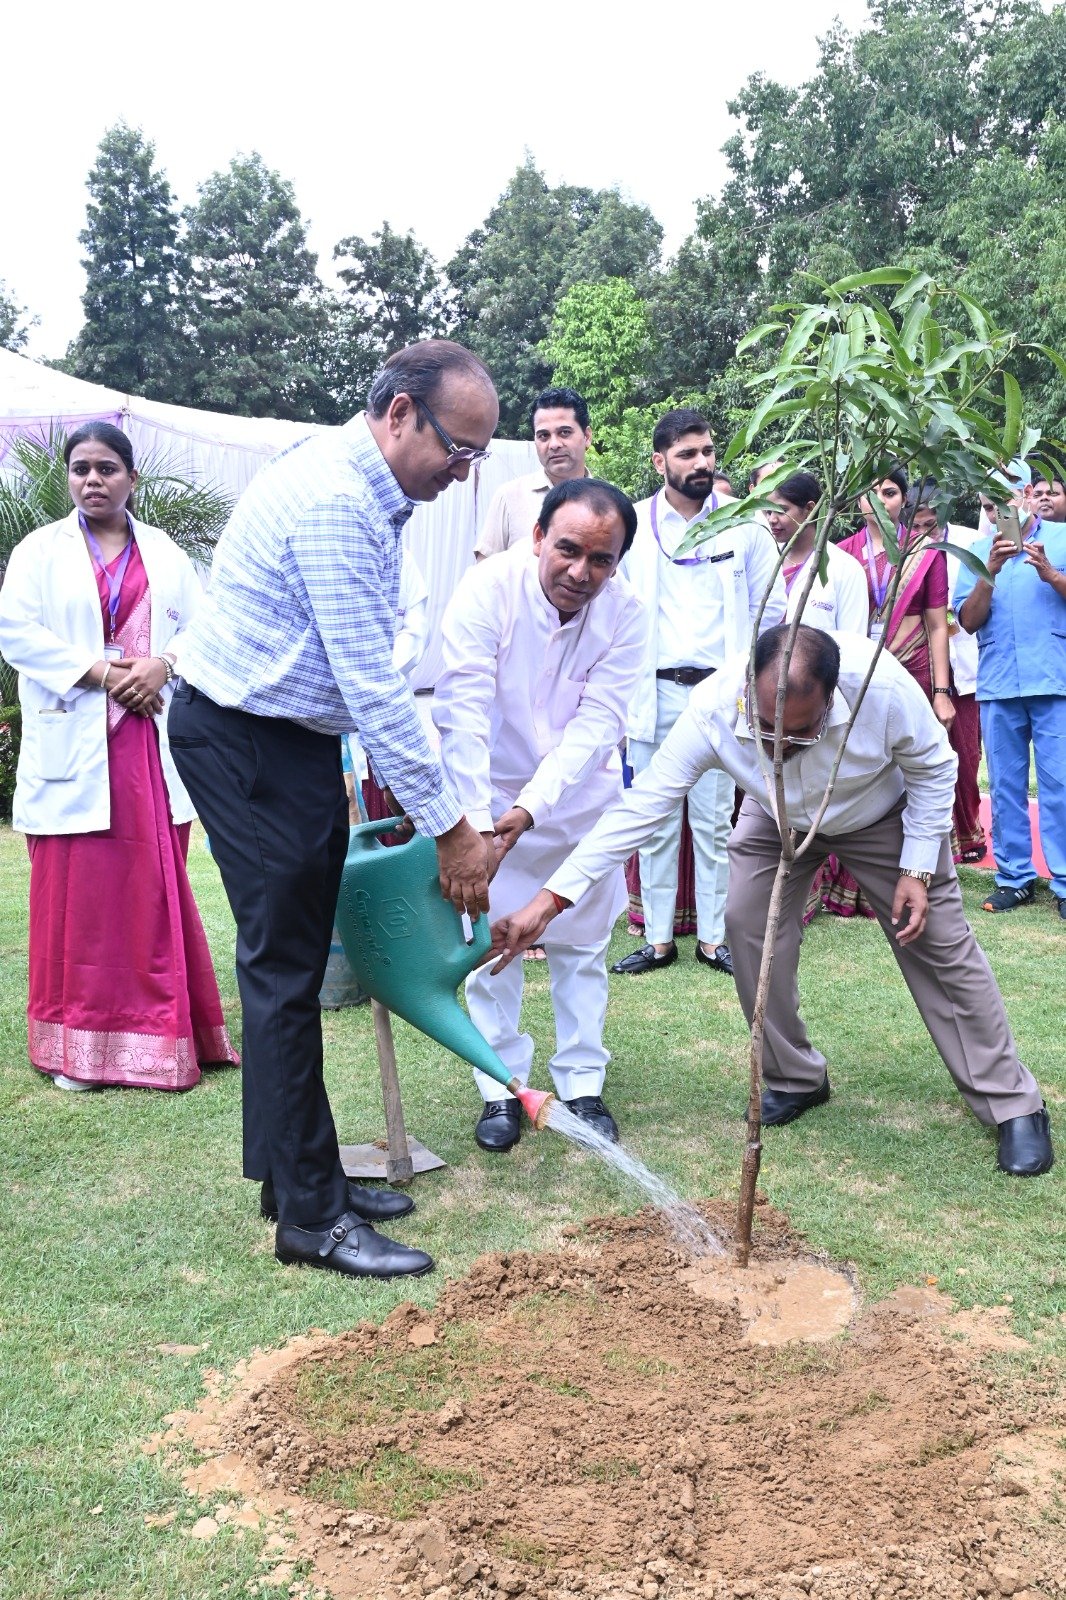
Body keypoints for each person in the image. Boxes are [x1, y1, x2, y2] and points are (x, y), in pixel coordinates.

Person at [486, 624, 1054, 1178]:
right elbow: (642, 808)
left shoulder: (879, 688)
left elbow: (934, 768)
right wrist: (551, 901)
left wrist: (916, 866)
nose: (779, 745)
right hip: (773, 814)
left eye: (799, 734)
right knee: (746, 921)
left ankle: (1011, 1102)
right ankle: (794, 1076)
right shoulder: (713, 708)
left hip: (877, 814)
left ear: (833, 699)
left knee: (938, 944)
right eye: (765, 730)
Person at [167, 340, 500, 1282]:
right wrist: (452, 828)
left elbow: (360, 677)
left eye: (479, 456)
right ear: (399, 412)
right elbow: (375, 687)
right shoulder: (335, 502)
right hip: (246, 739)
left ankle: (294, 1175)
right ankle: (311, 1218)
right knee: (283, 974)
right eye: (456, 448)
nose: (463, 471)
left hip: (288, 738)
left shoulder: (369, 490)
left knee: (294, 962)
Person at [0, 422, 237, 1091]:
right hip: (74, 738)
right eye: (80, 469)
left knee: (149, 896)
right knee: (79, 904)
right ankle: (77, 1051)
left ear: (132, 478)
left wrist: (163, 664)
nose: (92, 480)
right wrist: (105, 675)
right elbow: (15, 631)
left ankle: (162, 1034)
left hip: (146, 748)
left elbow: (206, 625)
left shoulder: (164, 553)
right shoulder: (38, 552)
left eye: (107, 468)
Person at [434, 478, 646, 1151]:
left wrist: (529, 810)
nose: (581, 573)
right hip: (483, 796)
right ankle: (501, 1087)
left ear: (618, 563)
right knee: (490, 950)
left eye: (601, 560)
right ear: (535, 539)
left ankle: (582, 1083)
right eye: (568, 551)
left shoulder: (628, 613)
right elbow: (461, 712)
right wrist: (476, 824)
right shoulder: (487, 591)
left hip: (576, 801)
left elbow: (598, 723)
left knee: (581, 949)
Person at [611, 408, 784, 980]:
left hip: (718, 692)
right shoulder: (632, 524)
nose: (702, 462)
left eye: (708, 452)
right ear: (659, 461)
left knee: (713, 821)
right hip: (652, 692)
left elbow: (773, 613)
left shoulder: (745, 526)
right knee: (654, 818)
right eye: (687, 454)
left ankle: (714, 940)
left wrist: (751, 685)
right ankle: (658, 940)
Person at [955, 469, 1066, 919]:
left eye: (1001, 502)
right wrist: (990, 573)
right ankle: (1014, 877)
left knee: (1060, 785)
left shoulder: (1060, 538)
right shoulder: (978, 553)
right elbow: (967, 620)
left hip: (1054, 678)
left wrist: (1051, 574)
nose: (994, 514)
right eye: (986, 507)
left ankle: (1063, 880)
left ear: (1024, 495)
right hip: (999, 683)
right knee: (1004, 787)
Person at [906, 482, 985, 864]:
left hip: (966, 664)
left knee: (966, 756)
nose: (924, 534)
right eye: (917, 526)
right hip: (918, 664)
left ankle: (969, 834)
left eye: (931, 526)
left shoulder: (972, 544)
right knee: (922, 756)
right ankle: (935, 839)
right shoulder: (901, 548)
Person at [474, 386, 592, 559]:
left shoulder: (607, 503)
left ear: (587, 437)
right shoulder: (509, 497)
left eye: (564, 433)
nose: (554, 444)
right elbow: (484, 575)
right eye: (543, 435)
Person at [765, 471, 869, 634]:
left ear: (810, 509)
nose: (771, 519)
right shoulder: (764, 561)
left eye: (781, 510)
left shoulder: (845, 568)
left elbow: (853, 640)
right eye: (768, 511)